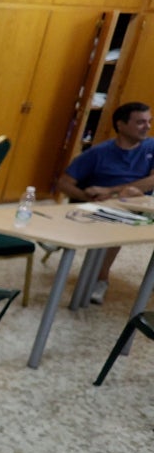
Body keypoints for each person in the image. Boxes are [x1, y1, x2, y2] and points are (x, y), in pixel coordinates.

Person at [56, 101, 154, 304]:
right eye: (140, 122)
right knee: (117, 220)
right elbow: (64, 183)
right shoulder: (98, 153)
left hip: (142, 204)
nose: (147, 127)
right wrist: (88, 197)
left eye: (149, 121)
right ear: (121, 125)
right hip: (108, 208)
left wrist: (111, 190)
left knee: (132, 195)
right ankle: (100, 278)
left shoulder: (151, 146)